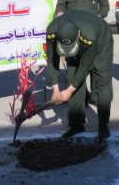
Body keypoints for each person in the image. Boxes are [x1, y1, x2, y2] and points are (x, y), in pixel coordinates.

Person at [45, 10, 113, 139]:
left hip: (101, 43)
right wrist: (55, 88)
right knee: (72, 78)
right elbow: (51, 59)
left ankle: (103, 124)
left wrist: (69, 91)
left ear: (78, 33)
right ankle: (76, 125)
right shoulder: (52, 31)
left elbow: (85, 67)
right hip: (78, 41)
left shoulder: (89, 36)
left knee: (102, 82)